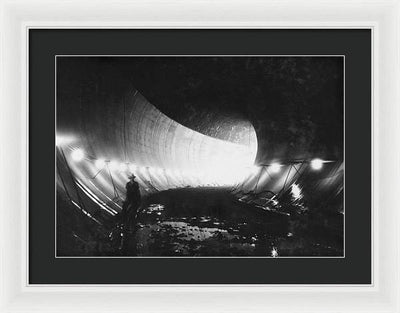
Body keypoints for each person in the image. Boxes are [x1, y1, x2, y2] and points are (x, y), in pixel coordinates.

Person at [119, 174, 141, 254]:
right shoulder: (128, 184)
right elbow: (127, 191)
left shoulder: (136, 184)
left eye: (132, 178)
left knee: (135, 208)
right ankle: (124, 218)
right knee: (125, 207)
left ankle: (134, 218)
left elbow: (137, 191)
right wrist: (127, 198)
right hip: (129, 197)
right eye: (131, 178)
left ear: (133, 179)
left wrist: (137, 198)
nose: (131, 179)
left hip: (135, 197)